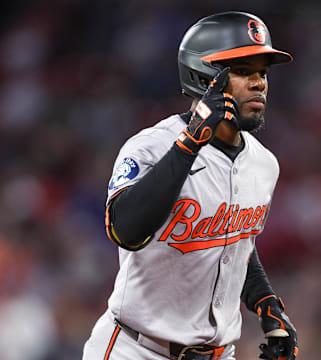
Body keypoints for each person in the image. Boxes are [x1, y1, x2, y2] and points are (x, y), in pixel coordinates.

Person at [83, 11, 299, 360]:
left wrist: (266, 304)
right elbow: (125, 231)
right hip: (137, 349)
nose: (259, 83)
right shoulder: (152, 146)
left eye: (263, 72)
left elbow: (233, 245)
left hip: (219, 353)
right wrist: (190, 143)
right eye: (243, 71)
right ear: (204, 76)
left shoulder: (264, 163)